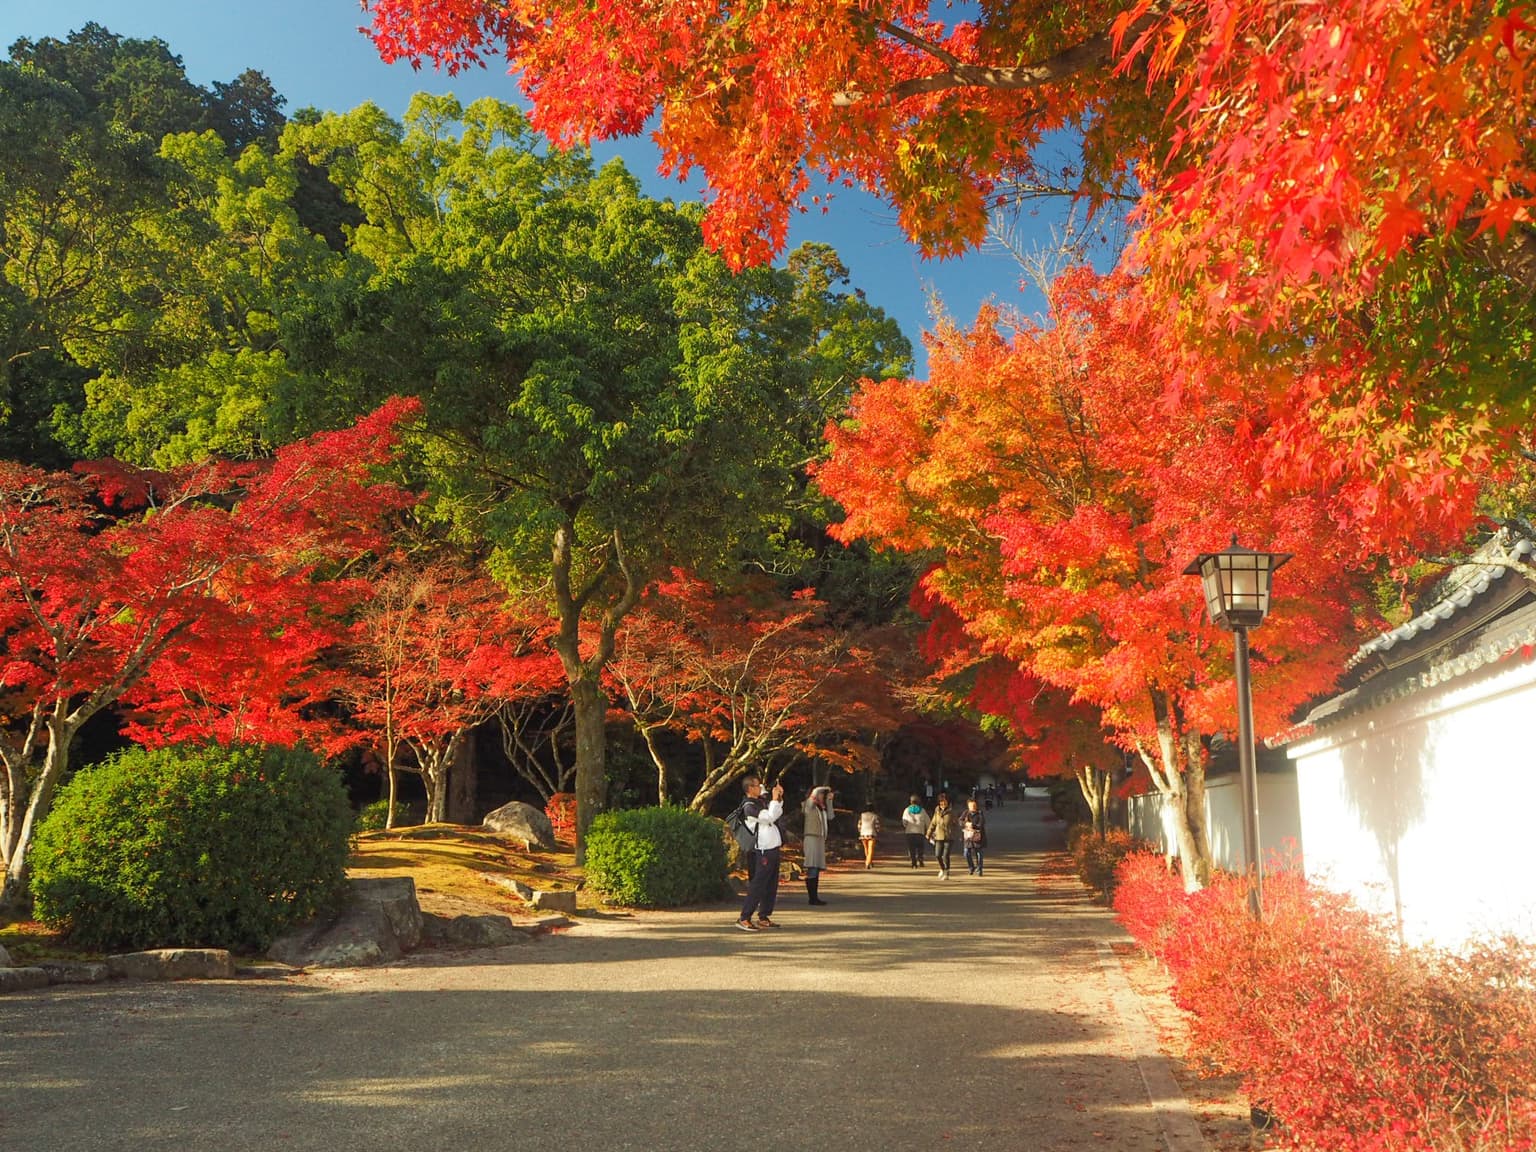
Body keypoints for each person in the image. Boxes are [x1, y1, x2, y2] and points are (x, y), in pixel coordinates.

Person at [736, 776, 785, 931]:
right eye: (757, 786)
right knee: (759, 883)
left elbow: (776, 812)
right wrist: (775, 800)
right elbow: (769, 817)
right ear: (750, 788)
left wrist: (778, 797)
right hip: (763, 848)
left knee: (771, 884)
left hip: (773, 847)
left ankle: (764, 916)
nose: (761, 788)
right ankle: (744, 917)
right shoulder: (749, 806)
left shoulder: (760, 802)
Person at [801, 786, 833, 905]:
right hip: (811, 837)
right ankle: (812, 897)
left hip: (820, 838)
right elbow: (810, 801)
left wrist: (829, 801)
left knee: (817, 867)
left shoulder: (822, 807)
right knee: (812, 865)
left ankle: (815, 896)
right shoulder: (808, 805)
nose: (821, 796)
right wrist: (821, 788)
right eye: (820, 794)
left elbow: (830, 816)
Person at [926, 793, 956, 880]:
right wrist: (928, 833)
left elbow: (956, 824)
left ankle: (947, 872)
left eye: (944, 802)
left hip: (949, 837)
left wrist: (955, 831)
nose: (943, 805)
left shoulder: (951, 812)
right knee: (938, 855)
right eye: (941, 803)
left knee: (946, 855)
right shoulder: (937, 812)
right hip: (938, 836)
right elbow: (933, 823)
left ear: (948, 802)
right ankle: (942, 869)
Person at [900, 794, 930, 868]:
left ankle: (914, 863)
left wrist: (907, 826)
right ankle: (920, 858)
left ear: (910, 802)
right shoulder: (922, 810)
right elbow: (928, 821)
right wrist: (929, 830)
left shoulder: (907, 810)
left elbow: (904, 822)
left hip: (909, 832)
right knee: (920, 847)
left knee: (911, 848)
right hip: (920, 832)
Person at [961, 796, 987, 876]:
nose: (973, 807)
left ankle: (979, 869)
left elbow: (982, 823)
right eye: (971, 805)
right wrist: (965, 824)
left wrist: (973, 826)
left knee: (979, 854)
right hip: (968, 837)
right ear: (968, 806)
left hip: (977, 836)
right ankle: (971, 867)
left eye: (974, 805)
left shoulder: (980, 813)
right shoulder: (966, 813)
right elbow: (960, 820)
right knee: (966, 853)